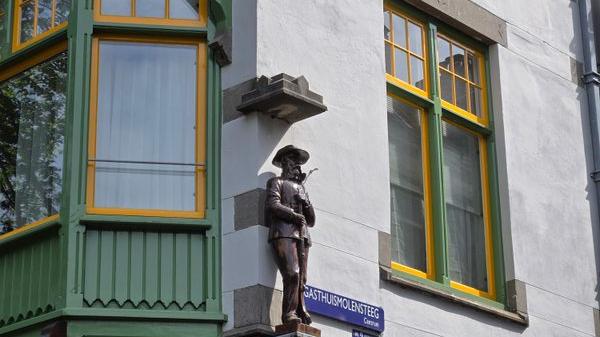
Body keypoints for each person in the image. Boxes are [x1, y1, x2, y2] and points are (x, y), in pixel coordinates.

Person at [265, 145, 316, 325]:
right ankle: (289, 314)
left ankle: (301, 309)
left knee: (302, 278)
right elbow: (272, 205)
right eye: (292, 161)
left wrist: (306, 202)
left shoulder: (301, 188)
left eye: (297, 163)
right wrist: (293, 215)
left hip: (302, 235)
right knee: (292, 273)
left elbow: (311, 220)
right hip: (283, 232)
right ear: (284, 163)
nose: (296, 166)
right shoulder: (276, 183)